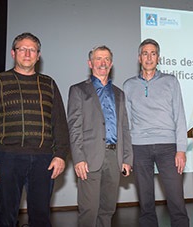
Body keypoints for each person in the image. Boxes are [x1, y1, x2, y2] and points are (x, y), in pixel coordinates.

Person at [0, 32, 70, 227]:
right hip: (6, 158)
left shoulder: (49, 84)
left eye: (32, 50)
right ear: (13, 53)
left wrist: (61, 154)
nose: (27, 54)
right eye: (23, 49)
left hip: (44, 160)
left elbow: (60, 122)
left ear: (38, 55)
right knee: (5, 217)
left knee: (41, 218)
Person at [123, 38, 190, 227]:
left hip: (168, 147)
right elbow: (126, 123)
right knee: (146, 202)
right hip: (139, 147)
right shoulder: (128, 85)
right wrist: (127, 155)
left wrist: (181, 149)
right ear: (139, 58)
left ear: (158, 58)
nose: (149, 57)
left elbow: (180, 116)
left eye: (153, 53)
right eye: (145, 53)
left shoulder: (170, 81)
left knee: (176, 200)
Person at [67, 45, 133, 227]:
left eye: (106, 59)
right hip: (89, 157)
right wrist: (78, 158)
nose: (102, 63)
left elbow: (125, 128)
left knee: (107, 210)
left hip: (114, 157)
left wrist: (127, 158)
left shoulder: (119, 94)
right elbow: (74, 127)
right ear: (90, 63)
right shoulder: (78, 90)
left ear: (111, 64)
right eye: (98, 59)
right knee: (89, 210)